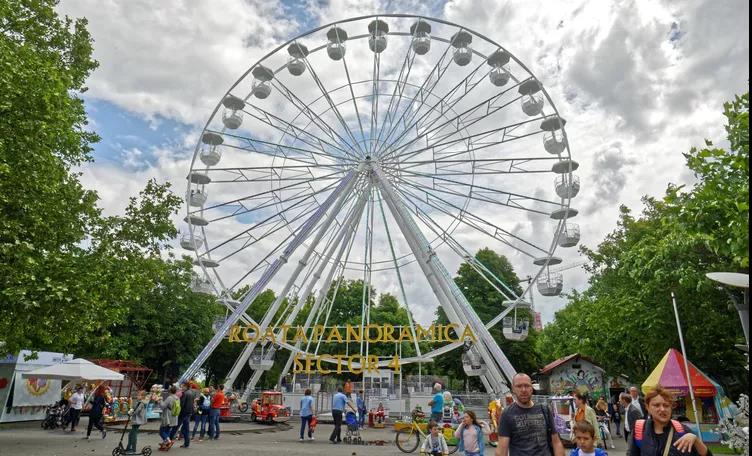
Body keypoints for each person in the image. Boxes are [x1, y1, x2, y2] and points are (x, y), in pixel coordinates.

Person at [628, 385, 712, 456]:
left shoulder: (683, 431)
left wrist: (696, 440)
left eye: (666, 405)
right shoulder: (639, 430)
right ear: (647, 407)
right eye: (656, 405)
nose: (662, 409)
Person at [496, 373, 565, 456]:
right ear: (513, 389)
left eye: (527, 386)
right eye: (519, 386)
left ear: (531, 388)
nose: (523, 390)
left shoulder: (545, 410)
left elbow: (556, 442)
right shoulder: (507, 414)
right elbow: (502, 450)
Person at [125, 389, 148, 454]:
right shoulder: (141, 402)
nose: (137, 396)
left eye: (139, 395)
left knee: (133, 434)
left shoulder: (141, 403)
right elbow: (135, 409)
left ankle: (133, 449)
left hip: (137, 420)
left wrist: (130, 412)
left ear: (142, 396)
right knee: (131, 434)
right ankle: (128, 447)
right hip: (137, 420)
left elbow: (136, 411)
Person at [159, 385, 179, 450]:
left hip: (168, 417)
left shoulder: (169, 398)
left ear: (169, 391)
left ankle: (169, 441)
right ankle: (165, 443)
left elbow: (163, 406)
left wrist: (160, 400)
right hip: (174, 416)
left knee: (161, 431)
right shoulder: (177, 398)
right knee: (167, 430)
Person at [178, 382, 197, 448]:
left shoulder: (185, 393)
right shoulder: (191, 393)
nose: (182, 387)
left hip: (183, 413)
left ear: (186, 386)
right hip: (189, 412)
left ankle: (168, 440)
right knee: (186, 428)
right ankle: (186, 443)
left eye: (183, 386)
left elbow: (182, 404)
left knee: (175, 427)